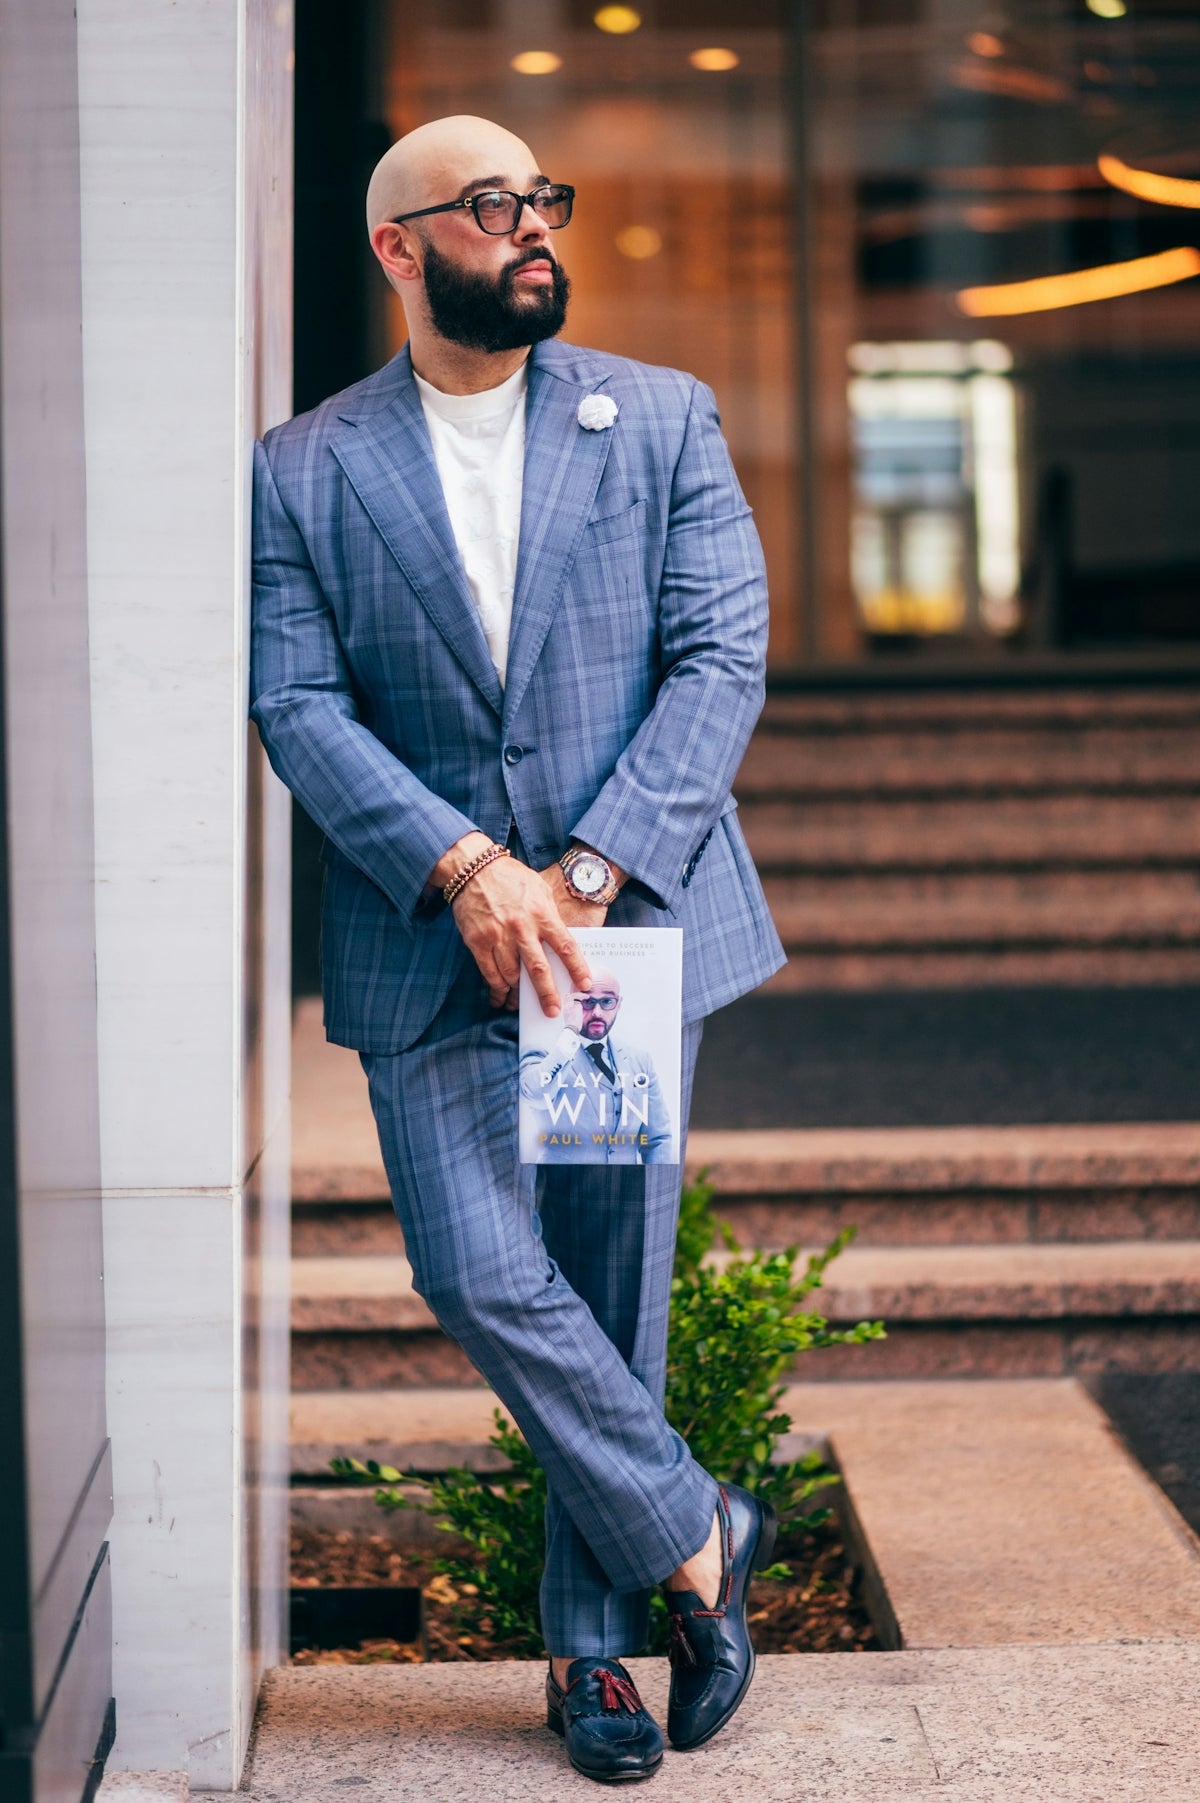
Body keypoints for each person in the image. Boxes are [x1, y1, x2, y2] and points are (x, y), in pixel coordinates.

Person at [249, 113, 786, 1782]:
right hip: (427, 939)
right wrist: (469, 867)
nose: (534, 227)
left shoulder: (659, 416)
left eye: (544, 199)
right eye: (491, 207)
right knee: (478, 1269)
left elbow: (721, 654)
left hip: (617, 931)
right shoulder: (303, 467)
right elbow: (295, 702)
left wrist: (587, 870)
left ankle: (591, 1655)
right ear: (401, 247)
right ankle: (696, 1528)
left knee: (606, 1291)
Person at [519, 968, 673, 1164]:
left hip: (625, 1180)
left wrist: (652, 1179)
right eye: (588, 1001)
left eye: (607, 1001)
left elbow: (658, 1139)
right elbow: (535, 1095)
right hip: (561, 1180)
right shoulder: (545, 1051)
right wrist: (570, 1030)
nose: (597, 1012)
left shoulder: (640, 1060)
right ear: (571, 1003)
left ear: (618, 1004)